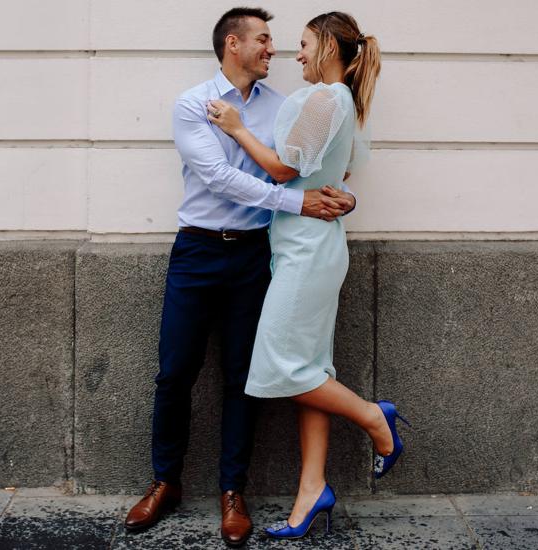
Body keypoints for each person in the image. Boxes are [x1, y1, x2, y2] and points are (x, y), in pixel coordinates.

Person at [123, 7, 356, 548]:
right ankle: (165, 484)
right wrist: (295, 201)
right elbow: (220, 177)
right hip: (197, 251)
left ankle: (233, 492)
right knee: (174, 372)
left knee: (240, 379)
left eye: (276, 40)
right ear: (234, 43)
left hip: (255, 255)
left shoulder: (283, 105)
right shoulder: (193, 104)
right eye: (264, 39)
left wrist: (342, 197)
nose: (273, 49)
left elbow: (315, 164)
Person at [207, 11, 410, 540]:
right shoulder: (336, 101)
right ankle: (311, 489)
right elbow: (339, 174)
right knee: (309, 367)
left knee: (279, 363)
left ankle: (373, 418)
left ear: (326, 47)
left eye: (303, 44)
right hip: (303, 246)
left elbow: (282, 170)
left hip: (307, 253)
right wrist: (345, 197)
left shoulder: (327, 98)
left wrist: (235, 128)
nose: (295, 54)